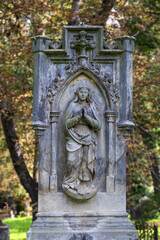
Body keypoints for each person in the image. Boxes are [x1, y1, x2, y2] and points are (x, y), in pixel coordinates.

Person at [62, 86, 101, 199]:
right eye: (81, 92)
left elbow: (98, 125)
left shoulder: (91, 106)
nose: (83, 94)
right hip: (74, 137)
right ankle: (71, 183)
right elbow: (66, 123)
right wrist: (78, 117)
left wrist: (87, 118)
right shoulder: (72, 106)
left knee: (87, 161)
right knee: (72, 161)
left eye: (85, 92)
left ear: (88, 94)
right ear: (77, 93)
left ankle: (86, 185)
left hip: (89, 137)